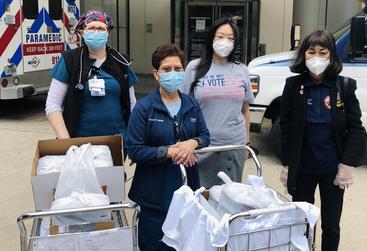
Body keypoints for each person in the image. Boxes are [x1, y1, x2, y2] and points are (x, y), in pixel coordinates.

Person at [279, 30, 367, 251]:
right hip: (303, 168)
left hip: (332, 169)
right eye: (311, 52)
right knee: (302, 223)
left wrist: (347, 165)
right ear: (304, 55)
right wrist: (287, 163)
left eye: (323, 52)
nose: (316, 57)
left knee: (331, 224)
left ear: (331, 56)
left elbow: (356, 129)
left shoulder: (343, 87)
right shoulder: (293, 86)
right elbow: (286, 129)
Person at [125, 44, 210, 251]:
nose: (173, 73)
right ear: (156, 74)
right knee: (156, 244)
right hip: (154, 193)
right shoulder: (144, 108)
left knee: (185, 244)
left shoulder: (191, 104)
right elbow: (134, 149)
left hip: (187, 188)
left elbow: (205, 136)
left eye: (178, 69)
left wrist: (193, 143)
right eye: (166, 69)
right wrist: (169, 151)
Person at [181, 17, 254, 188]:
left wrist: (246, 144)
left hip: (233, 147)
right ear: (211, 38)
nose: (225, 42)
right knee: (200, 201)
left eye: (230, 38)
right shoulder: (194, 67)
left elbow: (245, 110)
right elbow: (184, 108)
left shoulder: (241, 70)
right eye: (220, 36)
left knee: (228, 202)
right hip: (201, 147)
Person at [45, 10, 137, 147]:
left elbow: (132, 104)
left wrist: (134, 140)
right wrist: (66, 142)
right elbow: (52, 105)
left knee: (113, 170)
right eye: (91, 28)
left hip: (116, 142)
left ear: (107, 32)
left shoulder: (121, 61)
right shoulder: (70, 60)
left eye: (101, 28)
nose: (96, 32)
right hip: (78, 144)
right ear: (82, 32)